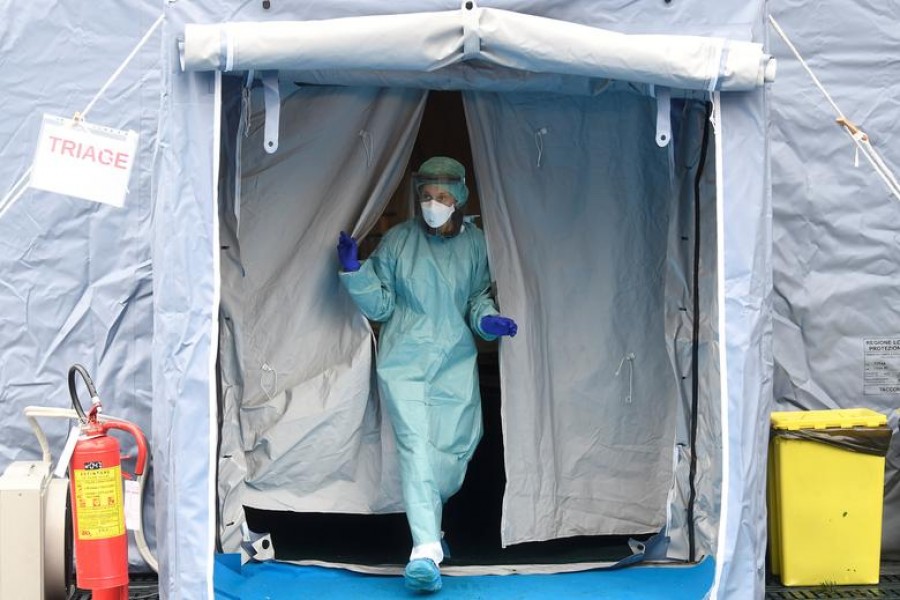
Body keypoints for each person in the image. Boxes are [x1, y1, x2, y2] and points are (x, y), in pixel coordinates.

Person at [337, 156, 518, 593]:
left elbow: (477, 297)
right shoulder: (399, 241)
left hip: (455, 362)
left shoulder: (477, 245)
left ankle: (432, 528)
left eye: (440, 197)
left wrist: (488, 320)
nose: (431, 204)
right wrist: (354, 272)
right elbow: (380, 306)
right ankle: (423, 551)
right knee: (416, 447)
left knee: (454, 450)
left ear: (458, 199)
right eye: (425, 196)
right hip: (405, 361)